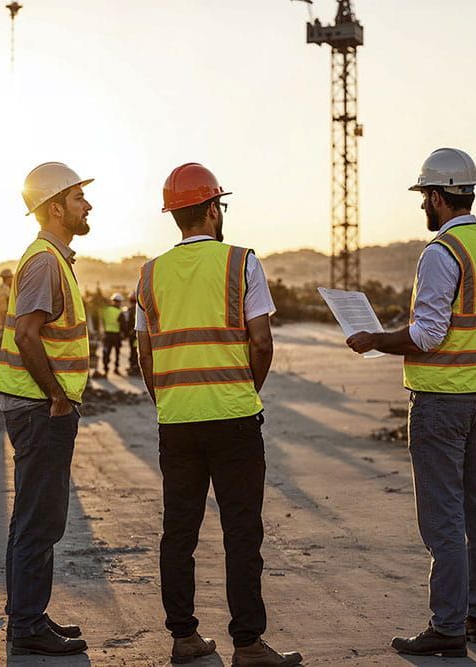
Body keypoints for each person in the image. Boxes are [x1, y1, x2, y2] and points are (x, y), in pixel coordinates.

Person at [346, 148, 476, 658]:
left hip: (444, 403)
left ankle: (448, 628)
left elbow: (429, 334)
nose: (423, 207)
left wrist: (375, 340)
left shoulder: (442, 253)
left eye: (424, 198)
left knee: (444, 517)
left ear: (438, 197)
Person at [136, 163, 302, 667]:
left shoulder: (149, 274)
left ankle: (184, 637)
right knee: (242, 532)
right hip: (233, 421)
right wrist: (242, 391)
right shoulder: (242, 263)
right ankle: (248, 644)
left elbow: (146, 354)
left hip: (177, 422)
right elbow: (263, 343)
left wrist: (167, 398)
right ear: (211, 209)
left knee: (179, 531)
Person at [0, 162, 93, 657]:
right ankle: (28, 625)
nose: (87, 205)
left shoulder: (53, 258)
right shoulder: (45, 261)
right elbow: (26, 334)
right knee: (40, 518)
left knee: (33, 517)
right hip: (39, 409)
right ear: (55, 207)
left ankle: (27, 617)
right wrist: (56, 395)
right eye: (79, 199)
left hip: (37, 407)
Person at [100, 293, 125, 376]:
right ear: (119, 302)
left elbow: (103, 321)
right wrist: (124, 335)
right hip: (116, 335)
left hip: (107, 335)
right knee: (117, 353)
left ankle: (105, 369)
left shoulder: (106, 310)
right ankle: (116, 369)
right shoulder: (120, 312)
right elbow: (123, 325)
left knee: (106, 352)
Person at [124, 291, 140, 375]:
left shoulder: (130, 310)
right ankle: (135, 366)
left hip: (134, 335)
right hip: (137, 334)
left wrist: (126, 333)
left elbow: (127, 323)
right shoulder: (140, 309)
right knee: (136, 350)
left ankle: (134, 366)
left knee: (134, 350)